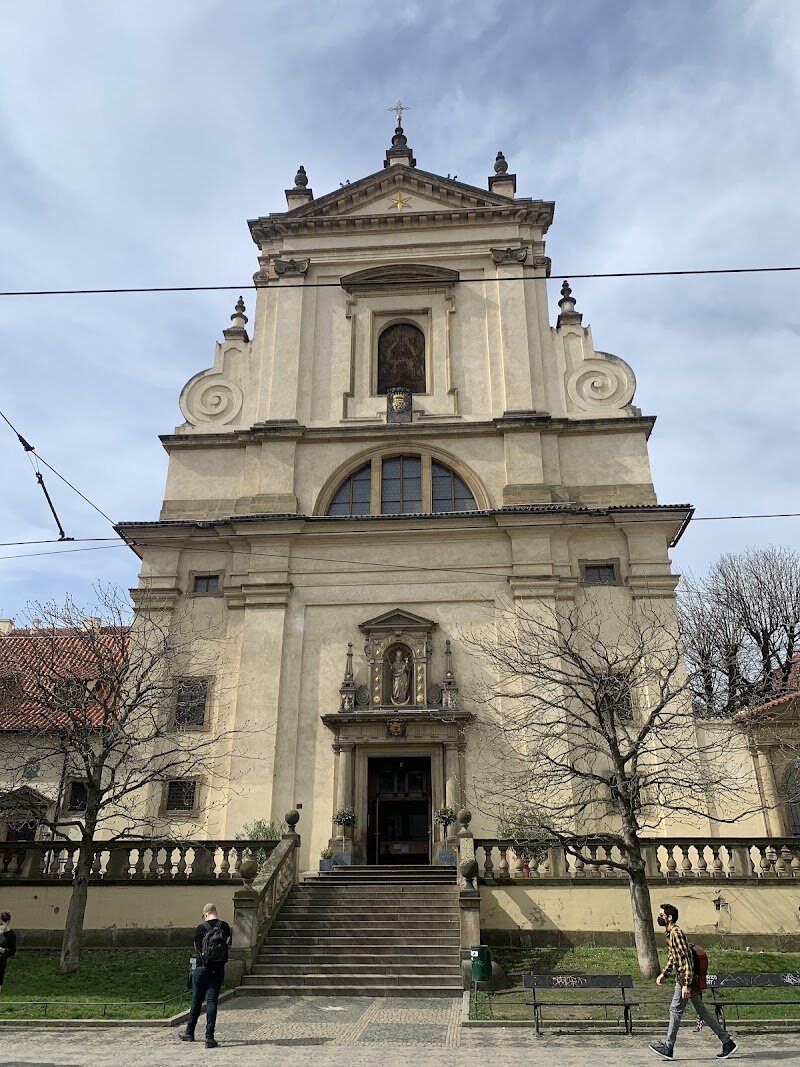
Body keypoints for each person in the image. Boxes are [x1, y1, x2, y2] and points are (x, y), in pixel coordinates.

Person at [648, 903, 737, 1060]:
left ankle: (668, 1048)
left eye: (662, 915)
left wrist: (687, 984)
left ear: (669, 918)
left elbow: (687, 959)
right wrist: (664, 974)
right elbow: (673, 956)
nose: (659, 917)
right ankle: (727, 1042)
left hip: (685, 978)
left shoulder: (676, 933)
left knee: (675, 1010)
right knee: (702, 1011)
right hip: (683, 977)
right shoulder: (669, 933)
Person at [179, 903, 231, 1049]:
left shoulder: (201, 928)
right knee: (212, 1001)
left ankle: (189, 1032)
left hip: (202, 968)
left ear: (206, 914)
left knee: (196, 1000)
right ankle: (209, 1037)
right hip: (218, 969)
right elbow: (227, 944)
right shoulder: (225, 927)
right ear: (215, 912)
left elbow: (197, 948)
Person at [0, 912, 17, 994]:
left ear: (7, 922)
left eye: (1, 923)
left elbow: (12, 951)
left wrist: (2, 950)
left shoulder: (11, 935)